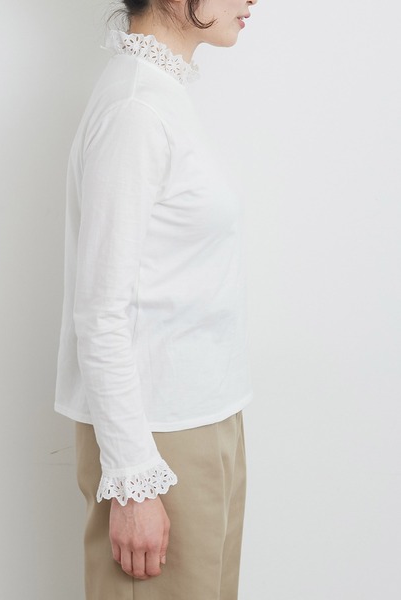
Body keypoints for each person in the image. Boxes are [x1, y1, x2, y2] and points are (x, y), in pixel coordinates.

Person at [54, 0, 258, 598]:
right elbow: (100, 311)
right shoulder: (135, 109)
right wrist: (132, 478)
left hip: (204, 418)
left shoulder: (162, 95)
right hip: (157, 440)